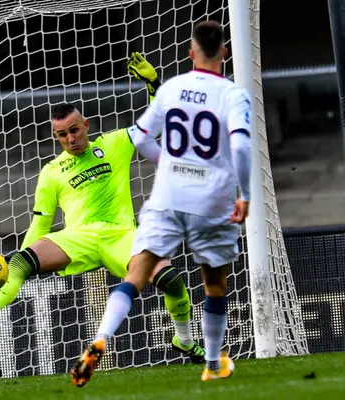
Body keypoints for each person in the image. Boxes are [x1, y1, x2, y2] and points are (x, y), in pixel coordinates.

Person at [0, 56, 205, 365]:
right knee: (21, 260)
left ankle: (184, 340)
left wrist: (153, 84)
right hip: (77, 237)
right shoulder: (52, 172)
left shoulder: (114, 143)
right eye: (62, 135)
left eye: (74, 130)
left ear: (86, 126)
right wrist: (17, 270)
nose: (70, 139)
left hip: (121, 234)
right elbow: (40, 225)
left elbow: (157, 123)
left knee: (172, 280)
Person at [71, 20, 252, 387]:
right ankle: (214, 363)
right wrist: (244, 194)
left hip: (168, 195)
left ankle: (101, 337)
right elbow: (241, 146)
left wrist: (167, 161)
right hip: (211, 197)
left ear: (190, 53)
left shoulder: (172, 88)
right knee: (214, 285)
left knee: (136, 274)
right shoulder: (234, 95)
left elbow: (139, 138)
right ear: (225, 52)